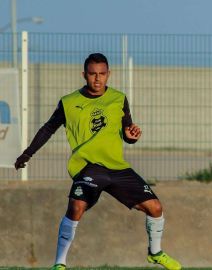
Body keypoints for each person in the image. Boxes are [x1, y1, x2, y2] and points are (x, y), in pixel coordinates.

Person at [14, 53, 182, 270]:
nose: (97, 79)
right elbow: (48, 129)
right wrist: (27, 154)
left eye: (102, 74)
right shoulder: (69, 102)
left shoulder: (119, 99)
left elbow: (127, 129)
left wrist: (131, 136)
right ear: (84, 75)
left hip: (117, 167)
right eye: (92, 74)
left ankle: (155, 253)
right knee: (76, 207)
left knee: (155, 208)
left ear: (108, 74)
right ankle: (59, 264)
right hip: (88, 167)